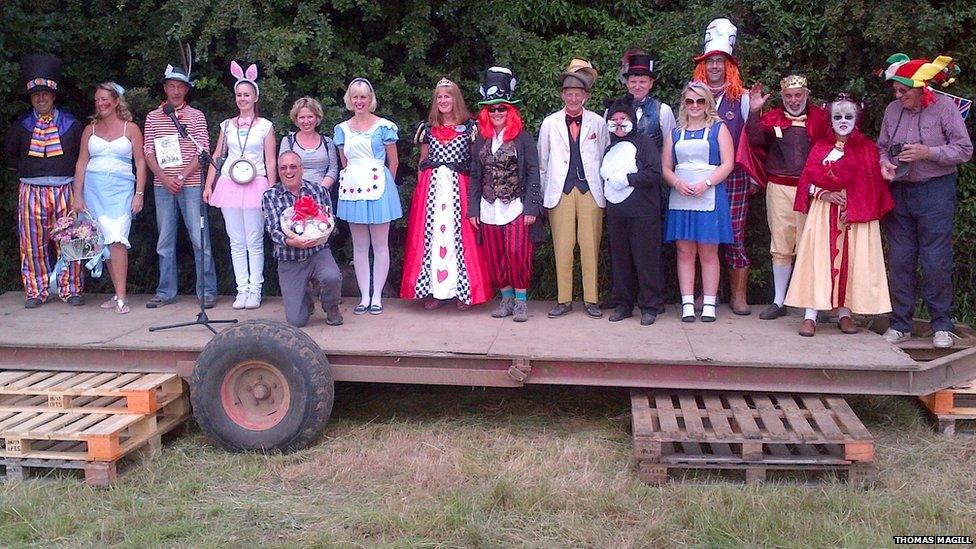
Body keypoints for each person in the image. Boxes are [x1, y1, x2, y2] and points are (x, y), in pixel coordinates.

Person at [877, 54, 973, 348]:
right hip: (900, 191)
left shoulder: (945, 108)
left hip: (935, 190)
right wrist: (884, 164)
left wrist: (928, 153)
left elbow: (964, 149)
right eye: (895, 90)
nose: (898, 95)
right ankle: (900, 324)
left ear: (920, 87)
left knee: (935, 260)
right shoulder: (893, 110)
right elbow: (881, 147)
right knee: (900, 259)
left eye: (903, 90)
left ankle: (942, 325)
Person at [786, 95, 894, 337]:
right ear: (830, 120)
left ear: (857, 119)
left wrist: (854, 206)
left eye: (848, 116)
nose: (843, 121)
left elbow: (872, 185)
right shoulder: (820, 147)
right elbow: (806, 182)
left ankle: (845, 314)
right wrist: (823, 193)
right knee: (818, 260)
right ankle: (810, 315)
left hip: (853, 217)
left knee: (852, 261)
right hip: (824, 214)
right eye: (838, 117)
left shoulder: (867, 148)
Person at [740, 75, 828, 320]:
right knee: (780, 244)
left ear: (806, 95)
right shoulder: (772, 118)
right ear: (783, 98)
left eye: (798, 95)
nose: (793, 100)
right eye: (789, 96)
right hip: (778, 187)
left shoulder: (821, 119)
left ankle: (812, 303)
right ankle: (779, 300)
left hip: (811, 190)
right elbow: (754, 141)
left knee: (810, 244)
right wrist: (755, 113)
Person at [400, 78, 491, 310]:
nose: (443, 101)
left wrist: (474, 194)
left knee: (459, 238)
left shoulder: (470, 127)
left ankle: (464, 291)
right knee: (432, 238)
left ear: (455, 99)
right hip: (432, 190)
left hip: (459, 187)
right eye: (439, 97)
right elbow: (423, 161)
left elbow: (475, 162)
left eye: (447, 96)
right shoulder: (428, 129)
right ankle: (436, 291)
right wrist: (420, 195)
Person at [4, 54, 85, 308]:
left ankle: (71, 288)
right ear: (31, 98)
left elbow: (80, 157)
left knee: (71, 240)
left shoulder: (71, 124)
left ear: (53, 96)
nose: (41, 98)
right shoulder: (22, 125)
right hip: (31, 190)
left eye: (45, 94)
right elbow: (10, 154)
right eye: (36, 95)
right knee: (32, 243)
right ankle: (35, 290)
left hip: (64, 189)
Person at [468, 67, 542, 323]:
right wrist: (473, 209)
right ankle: (506, 298)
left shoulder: (523, 138)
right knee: (495, 254)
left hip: (516, 206)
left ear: (510, 111)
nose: (497, 112)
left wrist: (532, 207)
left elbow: (533, 172)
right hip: (488, 206)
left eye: (502, 108)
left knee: (516, 251)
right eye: (492, 109)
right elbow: (475, 175)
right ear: (486, 113)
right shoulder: (481, 140)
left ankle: (521, 302)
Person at [143, 54, 217, 309]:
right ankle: (165, 291)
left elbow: (204, 150)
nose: (175, 91)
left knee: (200, 239)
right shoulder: (153, 117)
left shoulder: (196, 116)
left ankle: (206, 292)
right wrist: (163, 178)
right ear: (165, 88)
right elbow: (148, 151)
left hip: (192, 183)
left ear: (186, 90)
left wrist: (182, 175)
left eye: (180, 87)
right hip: (162, 186)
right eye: (171, 86)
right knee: (165, 240)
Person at [691, 17, 753, 315]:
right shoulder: (694, 95)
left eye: (720, 62)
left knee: (736, 234)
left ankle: (739, 295)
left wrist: (755, 112)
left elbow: (751, 140)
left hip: (734, 176)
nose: (715, 66)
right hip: (701, 175)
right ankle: (707, 295)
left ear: (728, 66)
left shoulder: (741, 98)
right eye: (710, 61)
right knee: (705, 235)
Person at [538, 58, 608, 319]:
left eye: (578, 94)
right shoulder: (550, 123)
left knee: (590, 245)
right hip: (560, 191)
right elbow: (543, 162)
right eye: (569, 94)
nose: (574, 98)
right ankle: (563, 299)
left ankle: (591, 299)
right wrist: (546, 196)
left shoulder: (598, 123)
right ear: (562, 95)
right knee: (563, 246)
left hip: (590, 190)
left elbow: (604, 157)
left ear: (586, 96)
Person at [203, 61, 276, 310]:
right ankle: (241, 289)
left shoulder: (266, 126)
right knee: (236, 239)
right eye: (238, 95)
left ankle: (255, 289)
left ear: (255, 97)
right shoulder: (226, 125)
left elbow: (270, 159)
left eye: (247, 94)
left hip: (256, 184)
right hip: (229, 183)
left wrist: (272, 190)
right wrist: (208, 184)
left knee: (254, 239)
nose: (242, 98)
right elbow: (218, 154)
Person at [71, 82, 148, 314]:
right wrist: (77, 195)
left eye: (105, 99)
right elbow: (82, 162)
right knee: (104, 241)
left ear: (116, 101)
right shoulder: (90, 130)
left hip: (121, 189)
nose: (101, 103)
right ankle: (117, 294)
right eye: (97, 100)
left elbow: (141, 162)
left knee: (118, 238)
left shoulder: (131, 129)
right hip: (94, 189)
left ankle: (123, 297)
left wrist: (139, 194)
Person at [663, 81, 735, 322]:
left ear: (707, 103)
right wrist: (676, 183)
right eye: (690, 101)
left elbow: (728, 163)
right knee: (684, 250)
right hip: (681, 196)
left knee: (708, 250)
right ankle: (687, 303)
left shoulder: (718, 128)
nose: (695, 105)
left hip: (709, 195)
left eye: (700, 101)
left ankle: (709, 303)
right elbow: (665, 166)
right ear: (684, 103)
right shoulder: (675, 132)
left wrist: (706, 183)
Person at [334, 77, 403, 315]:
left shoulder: (384, 126)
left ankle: (377, 297)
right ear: (350, 99)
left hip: (378, 188)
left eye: (363, 96)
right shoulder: (342, 129)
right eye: (355, 96)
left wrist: (387, 188)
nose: (359, 101)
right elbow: (344, 162)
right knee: (360, 246)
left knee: (380, 244)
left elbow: (393, 162)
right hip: (354, 189)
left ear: (370, 99)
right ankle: (364, 296)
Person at [600, 95, 665, 325]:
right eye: (614, 119)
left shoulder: (645, 143)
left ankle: (650, 306)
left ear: (632, 120)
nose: (618, 123)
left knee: (646, 260)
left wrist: (628, 179)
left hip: (643, 213)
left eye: (623, 118)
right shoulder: (610, 148)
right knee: (620, 260)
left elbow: (655, 174)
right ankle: (623, 304)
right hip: (617, 215)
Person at [262, 151, 343, 327]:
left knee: (332, 277)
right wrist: (291, 241)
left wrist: (322, 233)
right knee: (296, 321)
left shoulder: (318, 190)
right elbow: (272, 230)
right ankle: (305, 298)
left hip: (317, 251)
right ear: (278, 171)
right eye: (283, 168)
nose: (288, 171)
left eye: (293, 167)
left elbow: (330, 220)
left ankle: (331, 307)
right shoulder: (270, 195)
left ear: (302, 169)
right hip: (289, 257)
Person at [278, 97, 340, 213]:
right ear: (296, 120)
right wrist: (300, 192)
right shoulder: (288, 141)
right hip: (293, 197)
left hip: (322, 196)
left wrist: (319, 190)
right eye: (302, 117)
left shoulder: (327, 142)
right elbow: (284, 169)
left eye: (310, 116)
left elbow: (333, 169)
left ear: (317, 118)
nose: (306, 121)